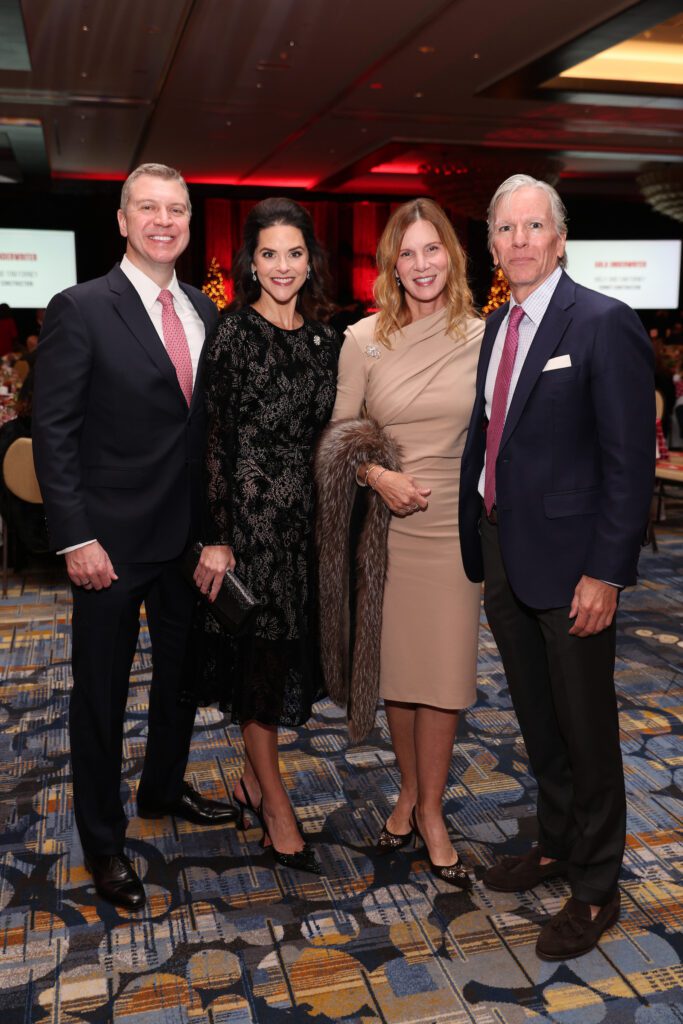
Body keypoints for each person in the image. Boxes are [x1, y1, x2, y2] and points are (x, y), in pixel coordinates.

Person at [459, 174, 655, 959]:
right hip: (505, 552)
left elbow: (626, 462)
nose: (518, 241)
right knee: (537, 717)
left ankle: (596, 884)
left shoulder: (602, 322)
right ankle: (557, 841)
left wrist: (605, 573)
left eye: (532, 226)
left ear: (559, 236)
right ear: (493, 244)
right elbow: (492, 433)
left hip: (574, 567)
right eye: (504, 229)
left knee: (585, 724)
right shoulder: (498, 324)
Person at [32, 163, 237, 912]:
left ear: (188, 223)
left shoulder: (203, 310)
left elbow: (207, 435)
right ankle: (104, 843)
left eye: (176, 210)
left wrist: (217, 533)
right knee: (101, 698)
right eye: (147, 208)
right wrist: (75, 536)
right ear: (121, 221)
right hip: (109, 549)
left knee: (182, 683)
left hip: (186, 543)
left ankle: (161, 787)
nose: (163, 220)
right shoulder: (80, 307)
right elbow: (53, 432)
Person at [316, 198, 484, 889]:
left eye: (431, 250)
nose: (420, 264)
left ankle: (430, 809)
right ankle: (408, 796)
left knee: (441, 677)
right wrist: (377, 475)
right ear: (391, 264)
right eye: (406, 253)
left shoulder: (485, 337)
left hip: (452, 528)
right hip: (385, 530)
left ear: (451, 256)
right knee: (398, 674)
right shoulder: (363, 340)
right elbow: (334, 438)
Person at [191, 198, 340, 875]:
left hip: (303, 528)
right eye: (269, 254)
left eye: (294, 253)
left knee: (282, 663)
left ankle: (253, 782)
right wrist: (215, 538)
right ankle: (275, 808)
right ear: (252, 262)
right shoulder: (232, 333)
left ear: (310, 262)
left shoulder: (325, 340)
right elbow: (213, 440)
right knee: (257, 666)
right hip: (248, 528)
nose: (282, 266)